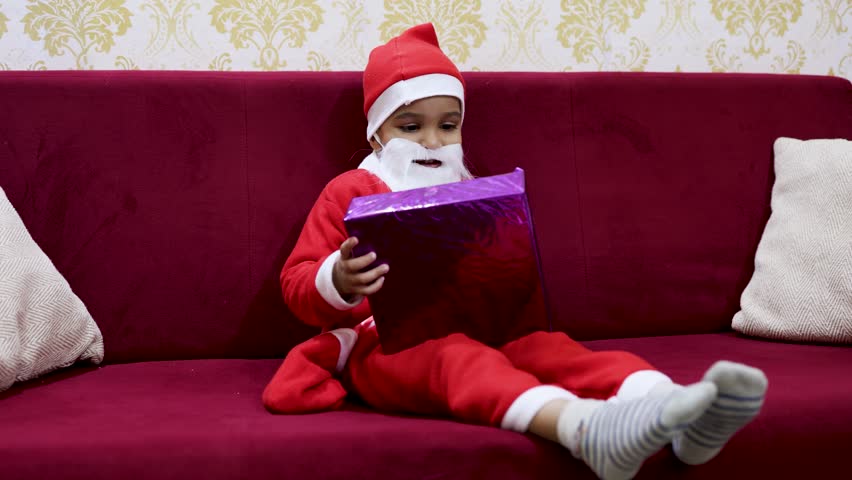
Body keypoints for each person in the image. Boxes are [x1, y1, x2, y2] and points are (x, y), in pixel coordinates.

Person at [263, 23, 767, 480]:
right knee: (455, 359)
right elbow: (297, 280)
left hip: (486, 326)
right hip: (386, 348)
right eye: (411, 126)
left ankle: (679, 412)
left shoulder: (470, 189)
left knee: (550, 348)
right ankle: (584, 430)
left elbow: (503, 272)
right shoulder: (350, 190)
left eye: (448, 125)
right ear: (376, 132)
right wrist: (340, 279)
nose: (433, 142)